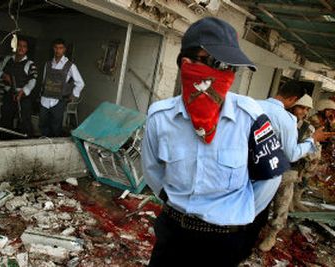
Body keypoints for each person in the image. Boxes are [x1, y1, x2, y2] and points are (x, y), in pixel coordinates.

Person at [142, 17, 290, 267]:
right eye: (218, 64)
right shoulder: (160, 117)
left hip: (223, 241)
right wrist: (174, 202)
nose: (226, 75)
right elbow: (152, 170)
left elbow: (269, 177)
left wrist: (237, 214)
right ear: (187, 64)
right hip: (173, 234)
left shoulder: (251, 117)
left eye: (232, 67)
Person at [258, 85, 334, 252]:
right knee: (259, 204)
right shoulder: (279, 119)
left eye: (306, 109)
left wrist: (309, 146)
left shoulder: (308, 129)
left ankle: (272, 234)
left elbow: (312, 154)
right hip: (266, 169)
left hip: (288, 174)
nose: (303, 112)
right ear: (292, 104)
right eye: (301, 107)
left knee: (282, 205)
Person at [0, 38, 37, 139]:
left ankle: (25, 142)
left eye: (24, 46)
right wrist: (3, 75)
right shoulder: (7, 59)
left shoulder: (30, 64)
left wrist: (23, 92)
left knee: (24, 121)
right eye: (19, 45)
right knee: (6, 119)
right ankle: (4, 141)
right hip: (9, 94)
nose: (21, 48)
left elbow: (32, 81)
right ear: (15, 47)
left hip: (23, 96)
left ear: (27, 49)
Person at [39, 38, 85, 137]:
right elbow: (44, 81)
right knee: (43, 124)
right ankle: (43, 143)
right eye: (56, 48)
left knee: (56, 127)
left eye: (60, 48)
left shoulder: (70, 66)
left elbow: (80, 83)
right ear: (53, 48)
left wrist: (73, 95)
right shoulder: (47, 64)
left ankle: (54, 148)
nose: (58, 50)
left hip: (58, 101)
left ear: (64, 49)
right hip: (45, 100)